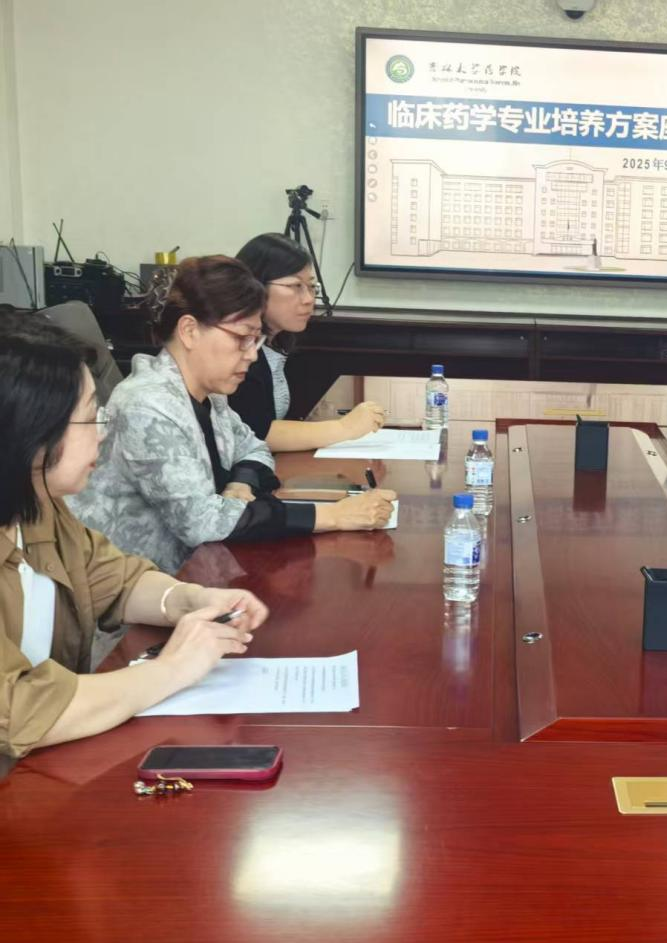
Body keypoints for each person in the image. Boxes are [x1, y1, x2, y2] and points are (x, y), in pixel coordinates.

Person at [0, 317, 268, 761]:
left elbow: (117, 580)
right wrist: (173, 669)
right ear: (31, 435)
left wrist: (192, 600)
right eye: (90, 416)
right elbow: (21, 709)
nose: (103, 433)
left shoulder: (39, 506)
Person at [70, 256, 396, 574]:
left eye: (256, 339)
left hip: (199, 572)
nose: (252, 354)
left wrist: (241, 483)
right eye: (242, 338)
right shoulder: (147, 406)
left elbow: (255, 447)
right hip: (134, 590)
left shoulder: (210, 395)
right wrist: (334, 516)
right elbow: (202, 522)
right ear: (190, 330)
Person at [232, 233, 386, 450]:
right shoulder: (238, 350)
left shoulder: (275, 342)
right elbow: (256, 432)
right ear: (255, 285)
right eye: (295, 286)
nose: (308, 299)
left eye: (312, 287)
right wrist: (344, 428)